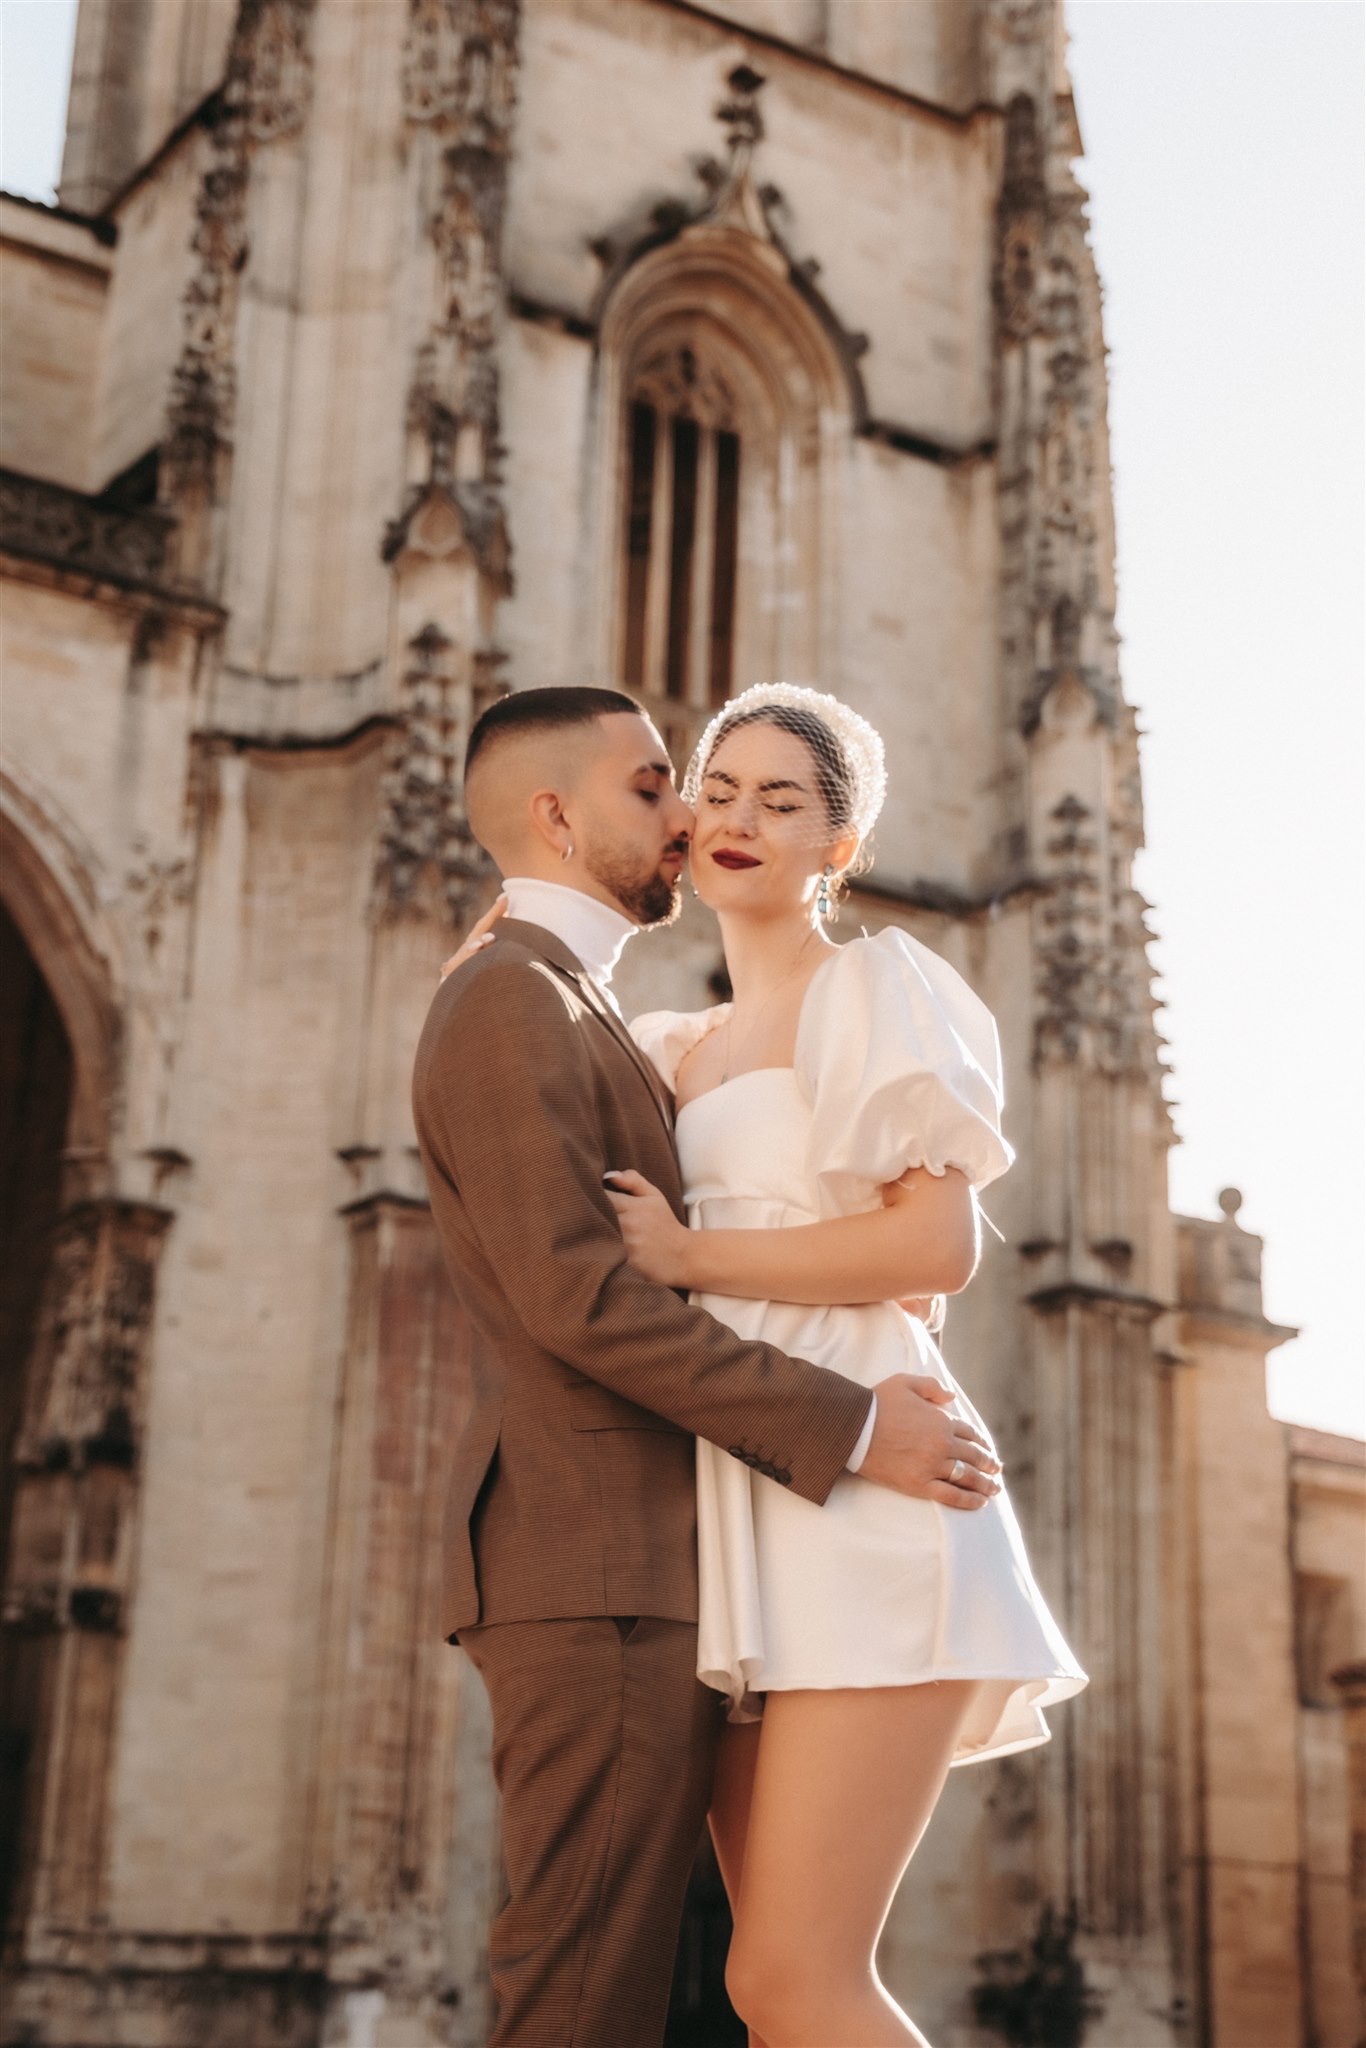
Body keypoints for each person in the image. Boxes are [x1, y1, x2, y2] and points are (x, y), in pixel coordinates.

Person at [411, 686, 1007, 2048]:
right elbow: (568, 1232)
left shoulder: (875, 986)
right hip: (736, 1516)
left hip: (851, 1485)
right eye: (700, 788)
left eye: (776, 800)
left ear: (839, 844)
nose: (715, 817)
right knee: (754, 1985)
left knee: (790, 1982)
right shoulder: (654, 1041)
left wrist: (709, 1263)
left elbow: (932, 1247)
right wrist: (507, 930)